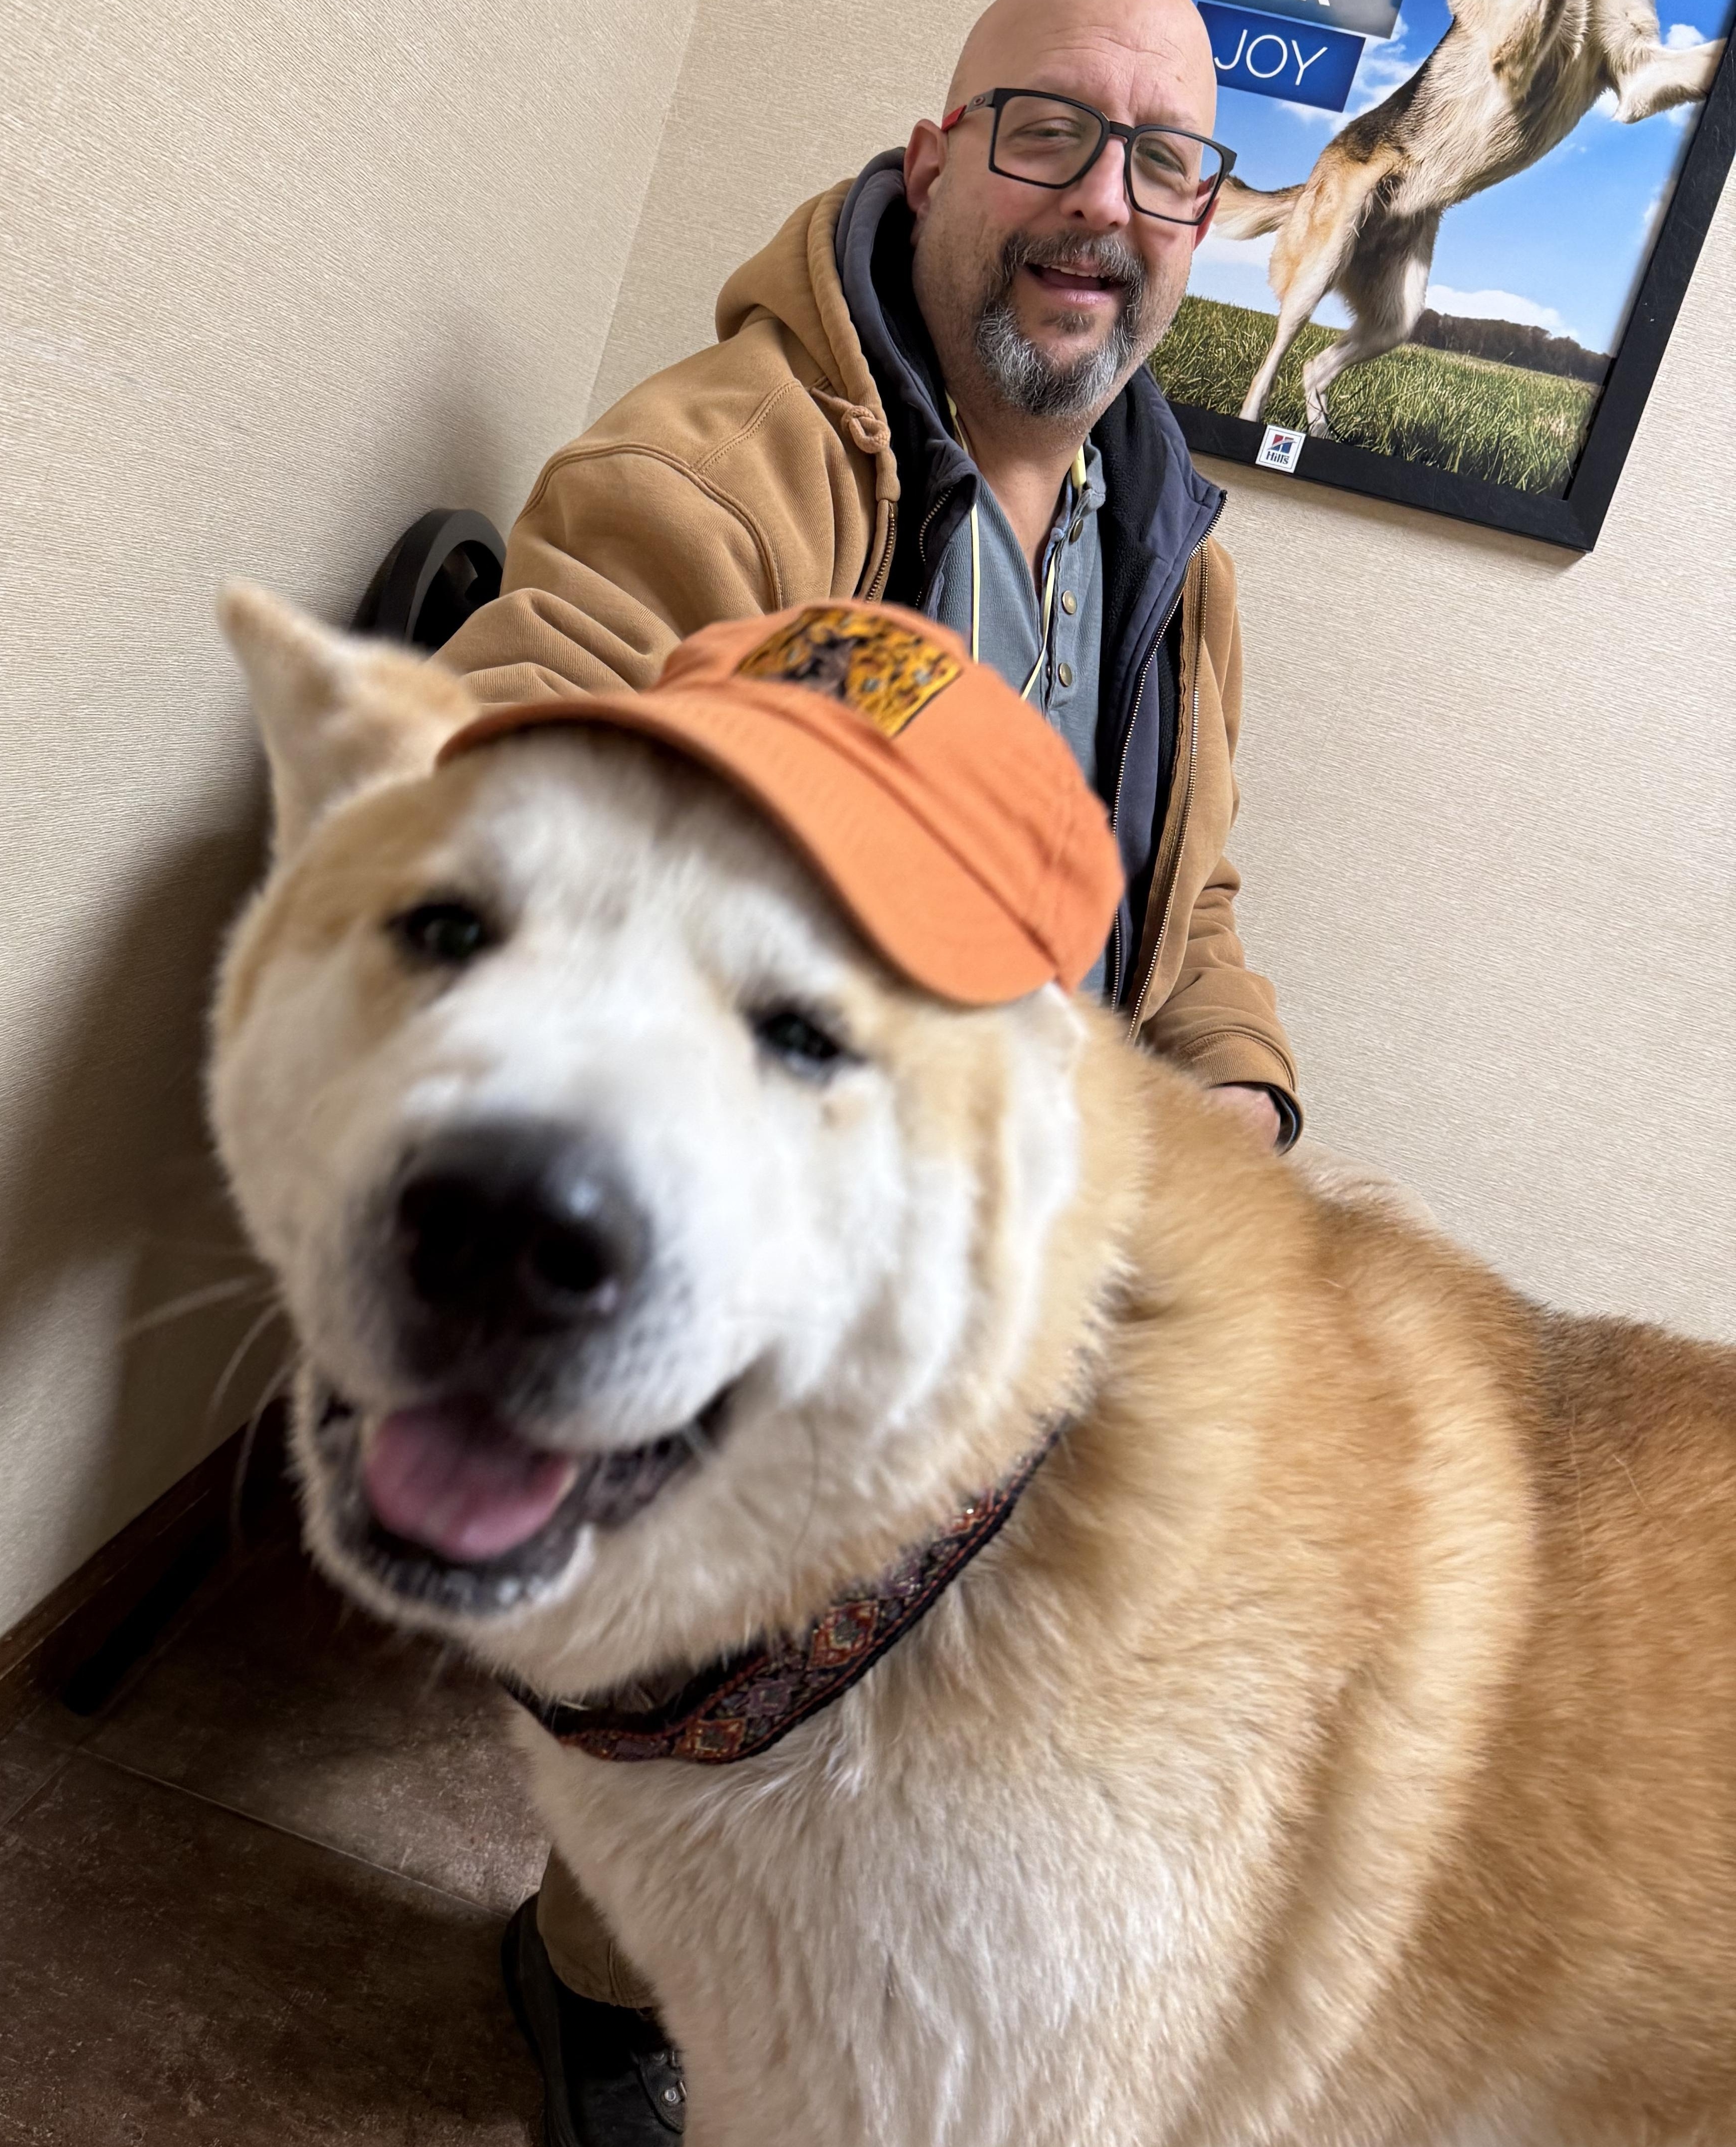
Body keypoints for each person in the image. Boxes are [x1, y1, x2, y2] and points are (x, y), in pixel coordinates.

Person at [439, 1, 1295, 2136]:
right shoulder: (722, 471)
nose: (1104, 204)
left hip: (1049, 1220)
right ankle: (602, 1967)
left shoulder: (1170, 563)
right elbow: (491, 800)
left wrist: (1247, 1119)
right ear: (932, 159)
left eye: (1164, 165)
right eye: (1047, 134)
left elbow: (1186, 930)